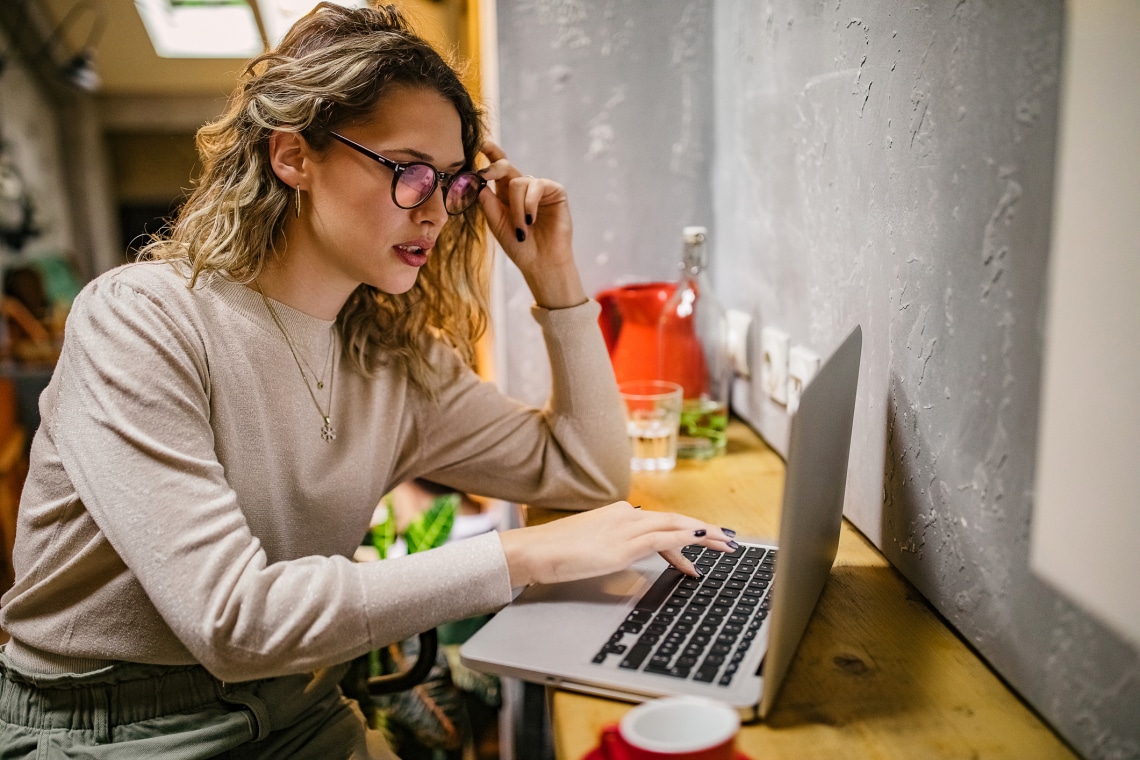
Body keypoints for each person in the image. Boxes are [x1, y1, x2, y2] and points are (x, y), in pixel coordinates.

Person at [0, 3, 736, 758]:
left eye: (451, 184)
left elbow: (587, 469)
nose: (438, 214)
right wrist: (526, 557)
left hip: (302, 701)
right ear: (293, 157)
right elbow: (231, 619)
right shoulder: (140, 321)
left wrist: (557, 282)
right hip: (109, 728)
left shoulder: (392, 358)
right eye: (409, 171)